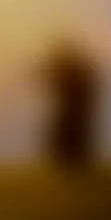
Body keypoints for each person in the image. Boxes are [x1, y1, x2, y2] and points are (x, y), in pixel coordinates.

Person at [38, 37, 103, 174]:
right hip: (72, 111)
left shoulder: (75, 68)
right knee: (67, 135)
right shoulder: (74, 67)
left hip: (74, 111)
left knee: (70, 135)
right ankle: (69, 164)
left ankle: (73, 164)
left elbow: (83, 87)